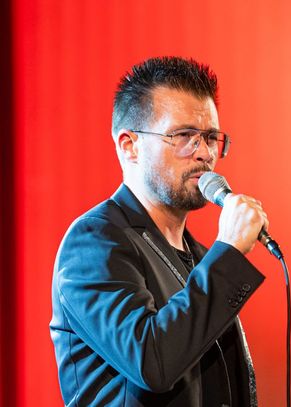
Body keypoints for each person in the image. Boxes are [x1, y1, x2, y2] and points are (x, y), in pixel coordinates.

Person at [50, 56, 267, 406]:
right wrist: (228, 254)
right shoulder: (94, 242)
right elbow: (152, 362)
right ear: (129, 146)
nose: (205, 153)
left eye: (211, 137)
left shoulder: (200, 257)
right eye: (184, 136)